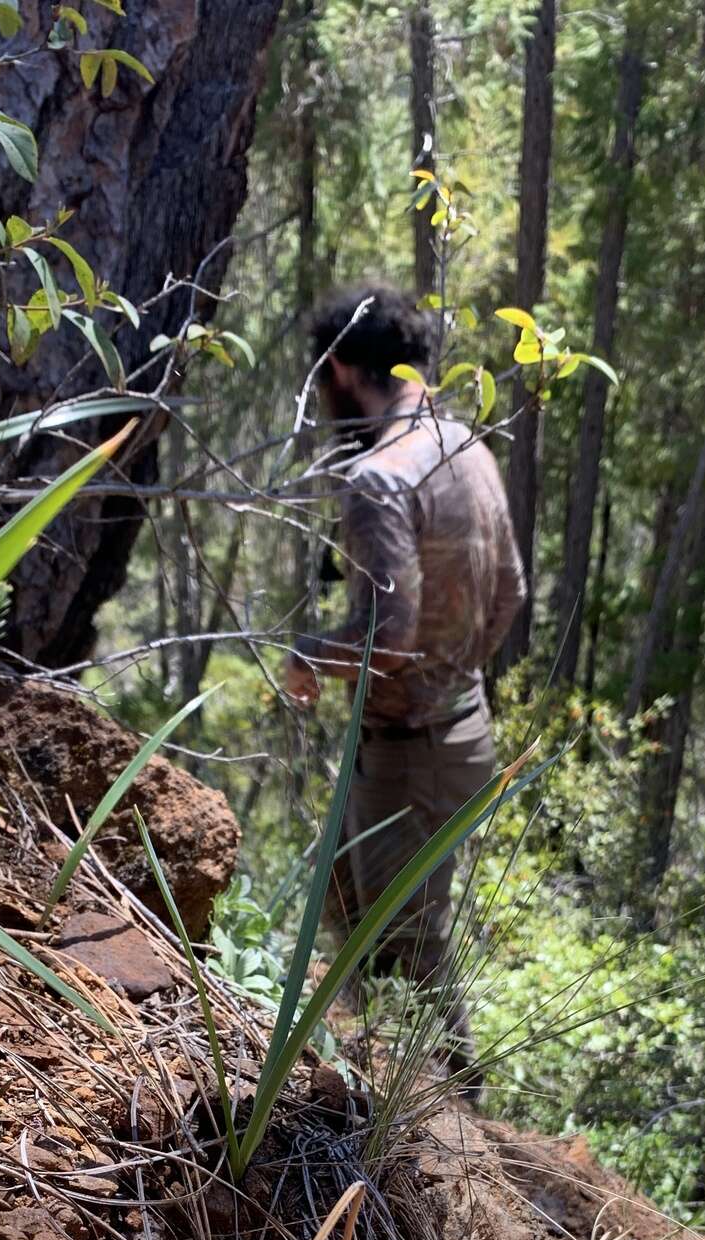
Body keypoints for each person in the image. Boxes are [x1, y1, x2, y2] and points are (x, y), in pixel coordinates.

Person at [284, 280, 527, 1095]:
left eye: (324, 386)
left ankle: (466, 1120)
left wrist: (308, 656)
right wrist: (453, 680)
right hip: (454, 733)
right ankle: (360, 1083)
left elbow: (385, 642)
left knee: (408, 947)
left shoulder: (378, 480)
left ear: (344, 373)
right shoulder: (469, 447)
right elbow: (512, 597)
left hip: (410, 751)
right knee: (351, 906)